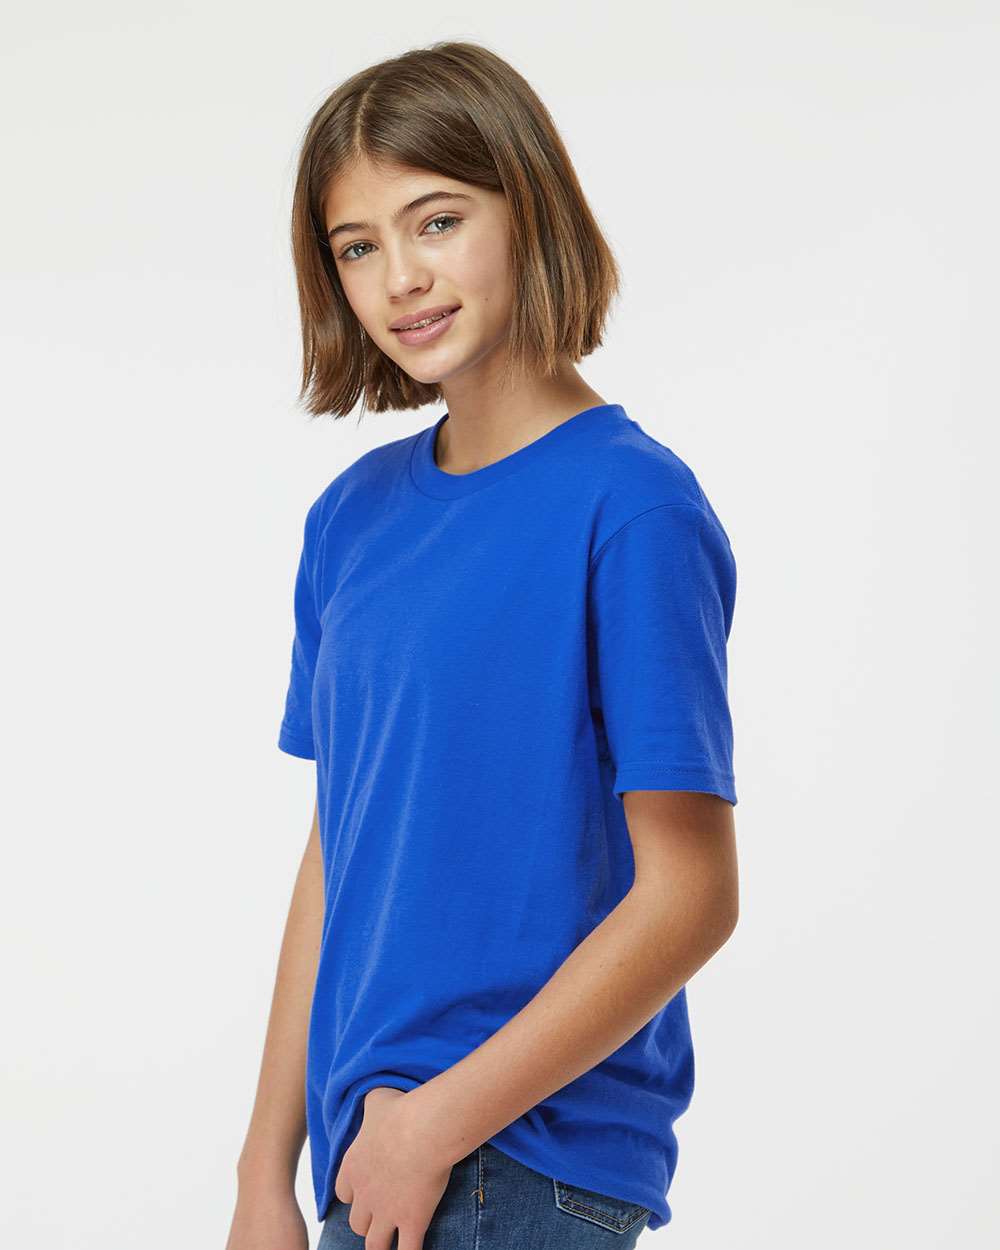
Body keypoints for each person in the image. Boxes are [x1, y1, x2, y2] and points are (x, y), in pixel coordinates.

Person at [226, 40, 740, 1250]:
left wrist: (438, 1123)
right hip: (373, 1159)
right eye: (357, 246)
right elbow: (340, 846)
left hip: (517, 1159)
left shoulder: (631, 505)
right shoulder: (351, 519)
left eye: (438, 220)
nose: (401, 276)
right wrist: (263, 1171)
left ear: (529, 209)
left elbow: (691, 892)